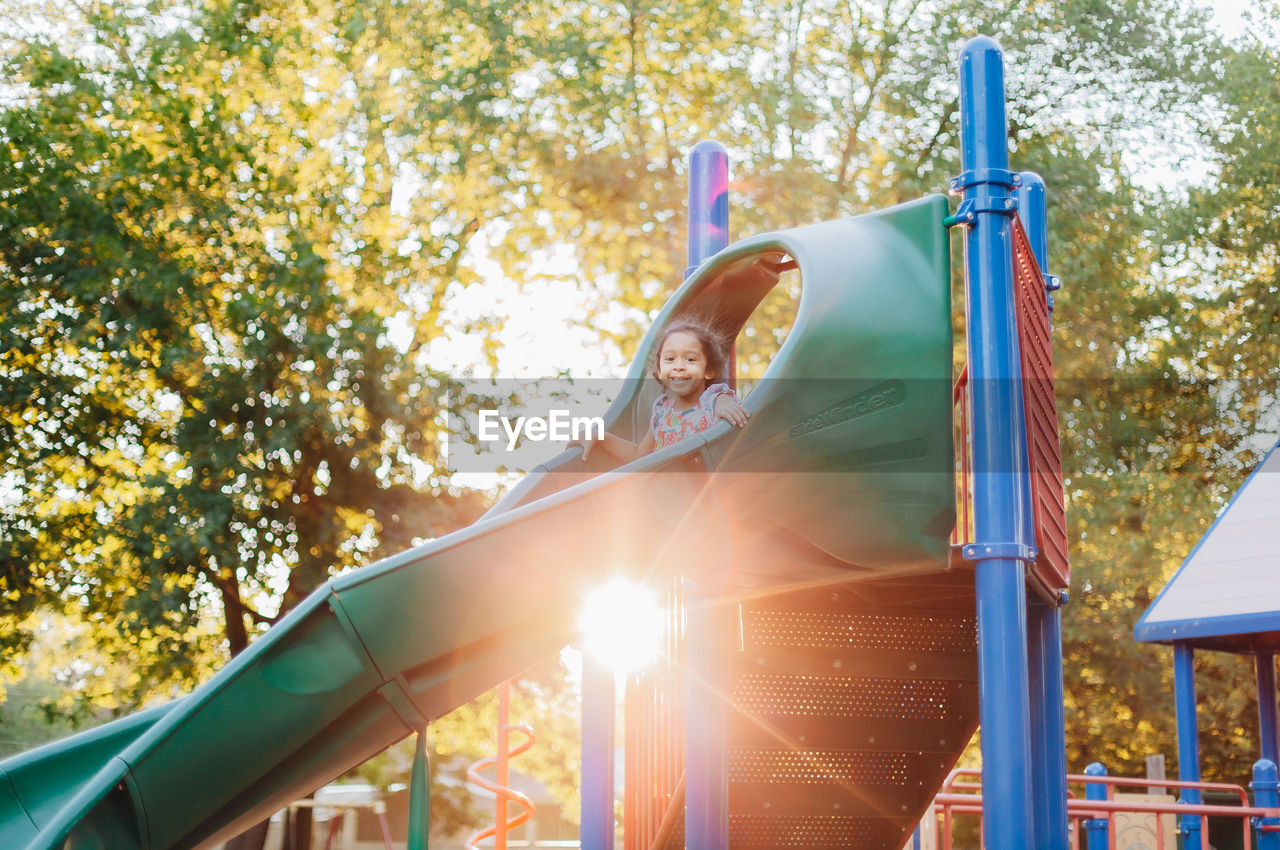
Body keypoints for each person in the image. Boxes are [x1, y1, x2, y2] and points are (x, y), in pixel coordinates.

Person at [581, 319, 748, 462]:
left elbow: (723, 400)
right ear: (660, 371)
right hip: (662, 494)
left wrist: (723, 404)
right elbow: (639, 457)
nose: (679, 366)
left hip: (698, 492)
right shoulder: (661, 411)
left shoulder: (711, 401)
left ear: (709, 370)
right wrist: (599, 436)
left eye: (690, 359)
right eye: (670, 359)